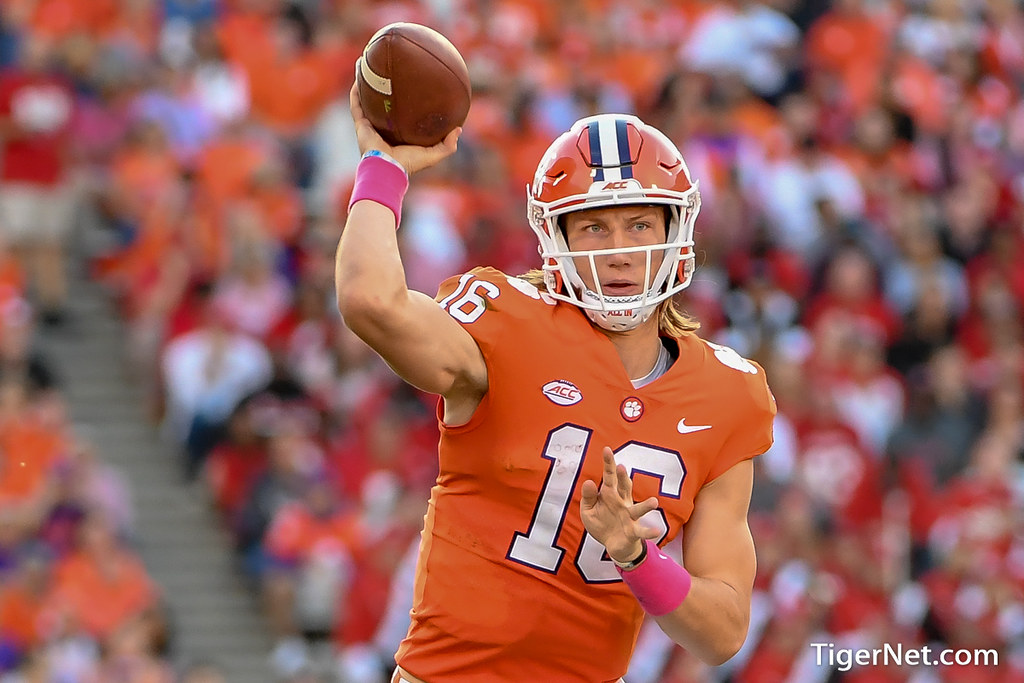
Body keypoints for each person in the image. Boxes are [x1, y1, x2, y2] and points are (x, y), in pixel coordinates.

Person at [336, 75, 776, 682]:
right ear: (555, 238)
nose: (619, 250)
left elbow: (723, 631)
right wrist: (382, 168)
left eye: (641, 224)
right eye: (595, 226)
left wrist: (635, 555)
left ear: (677, 235)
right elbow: (369, 303)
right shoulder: (506, 323)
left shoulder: (729, 393)